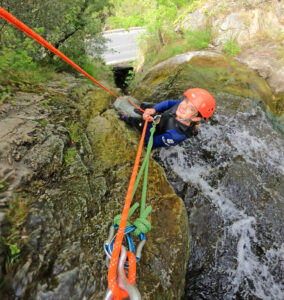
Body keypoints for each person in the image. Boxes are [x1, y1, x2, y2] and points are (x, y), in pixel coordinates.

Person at [119, 88, 215, 148]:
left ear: (196, 119)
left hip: (155, 130)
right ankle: (142, 108)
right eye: (186, 101)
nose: (183, 106)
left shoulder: (175, 136)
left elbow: (148, 143)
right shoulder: (181, 107)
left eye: (191, 108)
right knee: (146, 105)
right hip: (163, 117)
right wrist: (154, 109)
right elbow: (168, 103)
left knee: (135, 121)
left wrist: (148, 122)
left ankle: (125, 118)